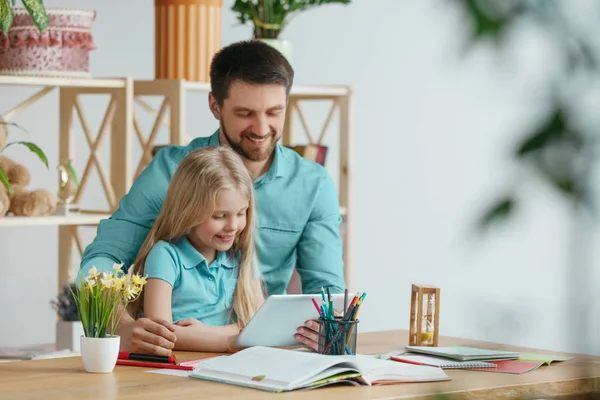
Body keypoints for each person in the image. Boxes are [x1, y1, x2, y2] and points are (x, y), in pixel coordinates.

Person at [79, 40, 346, 355]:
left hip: (261, 354)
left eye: (274, 112)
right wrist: (120, 327)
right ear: (215, 106)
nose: (262, 129)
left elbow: (326, 293)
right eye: (245, 113)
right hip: (180, 355)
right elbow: (101, 261)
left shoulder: (313, 184)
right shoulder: (170, 170)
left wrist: (328, 329)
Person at [128, 146, 264, 353]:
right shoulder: (165, 255)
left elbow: (260, 324)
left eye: (241, 213)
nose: (233, 226)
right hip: (175, 371)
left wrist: (207, 332)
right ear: (188, 210)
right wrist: (230, 339)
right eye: (219, 216)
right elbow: (160, 335)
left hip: (222, 364)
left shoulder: (241, 256)